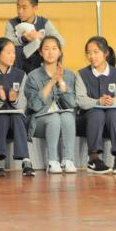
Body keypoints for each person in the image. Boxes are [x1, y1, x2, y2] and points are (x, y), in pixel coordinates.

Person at [24, 35, 79, 174]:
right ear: (40, 52)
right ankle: (52, 161)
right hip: (39, 121)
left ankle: (68, 160)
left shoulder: (69, 75)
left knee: (67, 116)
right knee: (54, 118)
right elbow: (35, 105)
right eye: (46, 49)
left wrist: (61, 82)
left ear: (60, 52)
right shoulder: (33, 76)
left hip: (63, 121)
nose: (50, 52)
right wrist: (51, 82)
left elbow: (72, 104)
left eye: (54, 49)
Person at [75, 36, 116, 175]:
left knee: (114, 113)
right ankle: (93, 159)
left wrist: (113, 101)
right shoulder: (82, 74)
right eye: (88, 53)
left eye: (96, 52)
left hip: (111, 121)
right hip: (88, 120)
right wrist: (97, 102)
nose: (92, 56)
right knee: (97, 112)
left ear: (106, 53)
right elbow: (80, 100)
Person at [0, 37, 33, 178]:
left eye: (13, 52)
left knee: (17, 117)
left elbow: (23, 105)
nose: (12, 56)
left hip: (16, 123)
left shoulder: (21, 75)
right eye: (8, 52)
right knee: (2, 118)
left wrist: (14, 100)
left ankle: (26, 160)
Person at [4, 0, 63, 72]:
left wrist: (42, 37)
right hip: (20, 60)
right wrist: (23, 39)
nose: (20, 11)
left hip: (39, 58)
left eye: (24, 8)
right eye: (18, 7)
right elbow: (7, 43)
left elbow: (60, 41)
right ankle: (17, 77)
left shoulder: (44, 22)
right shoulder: (12, 23)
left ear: (35, 8)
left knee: (56, 50)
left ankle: (52, 76)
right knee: (15, 50)